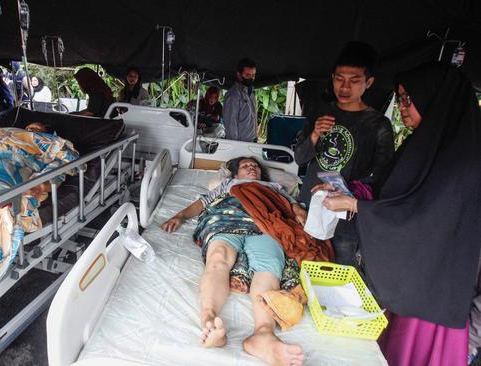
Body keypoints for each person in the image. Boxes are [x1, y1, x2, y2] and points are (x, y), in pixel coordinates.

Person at [318, 62, 481, 366]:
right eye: (401, 98)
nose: (403, 108)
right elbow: (389, 196)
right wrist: (347, 191)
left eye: (409, 99)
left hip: (431, 302)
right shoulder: (420, 146)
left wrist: (355, 206)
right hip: (404, 284)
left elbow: (425, 220)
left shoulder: (462, 162)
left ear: (435, 98)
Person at [161, 157, 310, 366]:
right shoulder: (228, 185)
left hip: (265, 226)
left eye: (255, 166)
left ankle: (263, 334)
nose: (252, 167)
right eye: (245, 166)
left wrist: (299, 211)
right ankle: (210, 322)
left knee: (268, 267)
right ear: (235, 174)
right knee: (218, 258)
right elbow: (202, 202)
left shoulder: (275, 187)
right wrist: (180, 216)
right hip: (226, 220)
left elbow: (289, 206)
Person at [294, 41, 394, 266]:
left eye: (354, 80)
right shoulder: (320, 112)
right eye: (339, 78)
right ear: (332, 77)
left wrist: (346, 192)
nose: (345, 87)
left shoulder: (378, 124)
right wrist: (314, 135)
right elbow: (300, 158)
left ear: (369, 82)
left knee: (337, 272)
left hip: (345, 217)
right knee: (300, 266)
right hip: (310, 206)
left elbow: (381, 175)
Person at [223, 58, 257, 142]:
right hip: (240, 143)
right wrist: (236, 146)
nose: (251, 78)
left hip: (251, 140)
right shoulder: (233, 95)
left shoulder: (251, 92)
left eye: (253, 75)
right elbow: (230, 124)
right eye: (248, 75)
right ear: (239, 75)